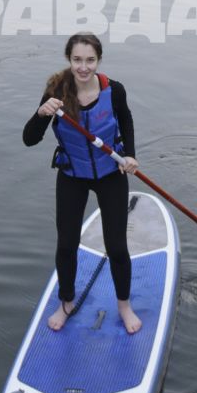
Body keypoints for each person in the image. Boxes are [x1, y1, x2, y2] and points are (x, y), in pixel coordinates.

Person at [22, 32, 142, 333]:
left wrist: (130, 156)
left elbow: (125, 121)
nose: (83, 67)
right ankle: (66, 302)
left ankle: (124, 306)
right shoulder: (56, 92)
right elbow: (29, 139)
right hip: (73, 176)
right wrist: (41, 113)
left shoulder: (114, 91)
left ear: (98, 60)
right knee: (66, 244)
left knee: (116, 246)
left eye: (90, 60)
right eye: (77, 60)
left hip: (110, 176)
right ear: (69, 59)